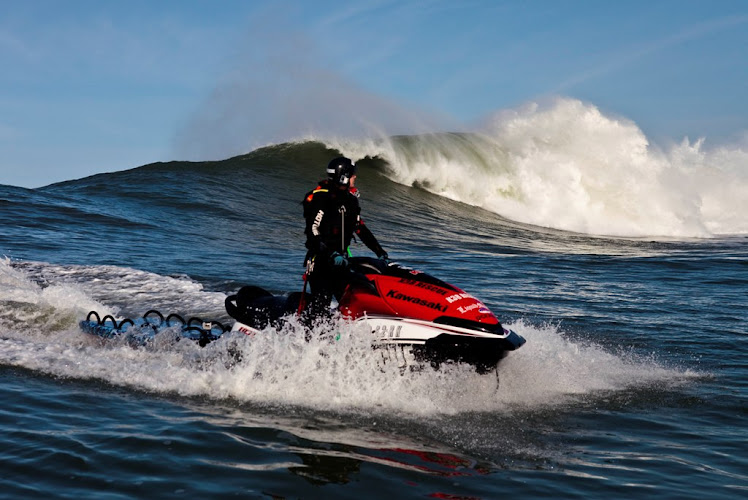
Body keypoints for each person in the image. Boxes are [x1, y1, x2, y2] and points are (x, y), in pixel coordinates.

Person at [302, 156, 388, 318]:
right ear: (343, 176)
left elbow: (360, 228)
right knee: (320, 306)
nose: (355, 177)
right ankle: (307, 338)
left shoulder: (350, 200)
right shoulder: (322, 197)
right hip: (321, 262)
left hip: (341, 262)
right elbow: (313, 231)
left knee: (353, 298)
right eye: (352, 174)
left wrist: (380, 251)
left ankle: (344, 338)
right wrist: (330, 254)